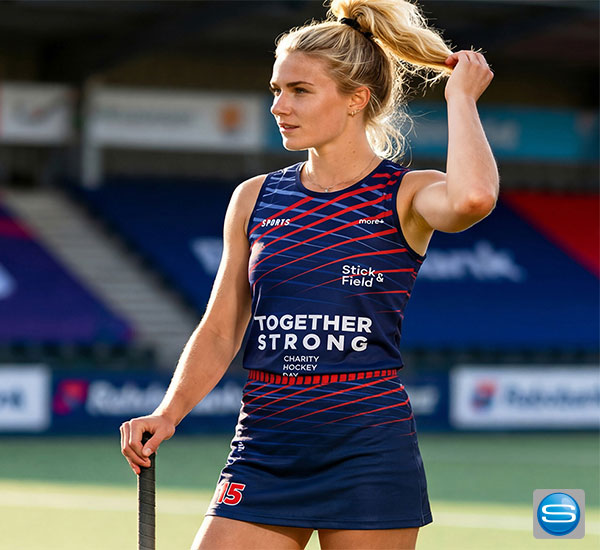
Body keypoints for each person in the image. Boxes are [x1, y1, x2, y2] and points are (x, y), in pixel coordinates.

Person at [121, 0, 498, 548]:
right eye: (277, 89)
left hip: (368, 447)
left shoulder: (406, 193)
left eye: (300, 90)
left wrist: (460, 99)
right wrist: (169, 411)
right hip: (266, 444)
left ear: (356, 99)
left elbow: (473, 197)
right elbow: (221, 327)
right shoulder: (253, 197)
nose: (279, 105)